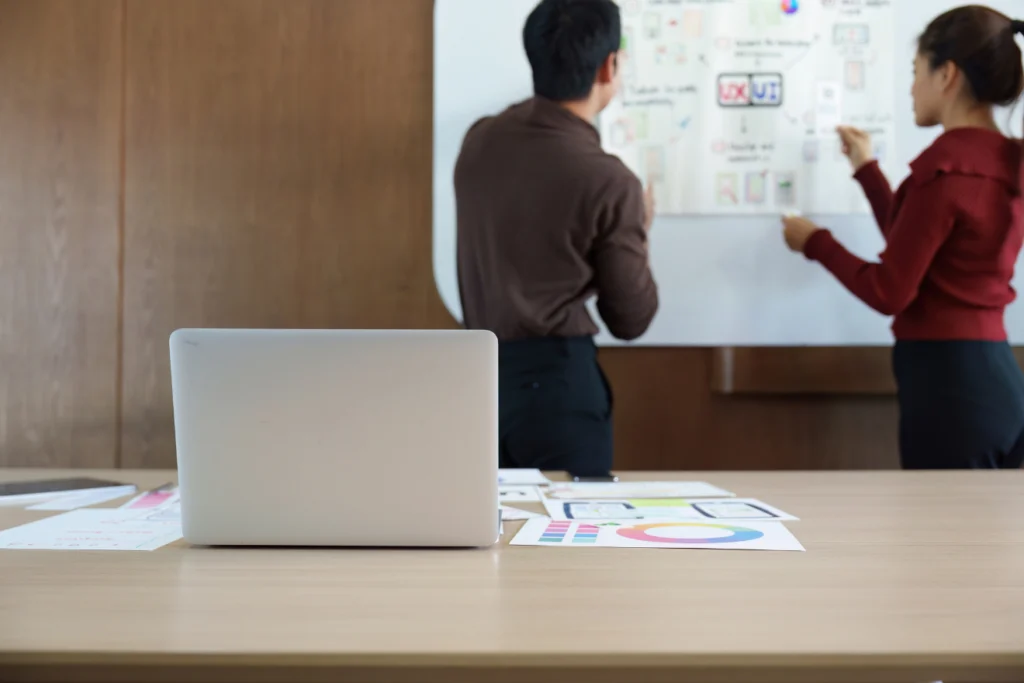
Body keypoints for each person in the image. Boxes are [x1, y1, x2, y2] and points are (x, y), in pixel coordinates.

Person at [782, 6, 1024, 469]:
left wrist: (816, 242)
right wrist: (867, 170)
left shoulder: (945, 166)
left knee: (945, 538)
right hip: (996, 379)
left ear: (946, 74)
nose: (910, 87)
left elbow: (889, 290)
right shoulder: (1006, 159)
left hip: (949, 388)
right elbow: (915, 240)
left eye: (915, 72)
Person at [454, 0, 659, 477]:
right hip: (558, 392)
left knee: (492, 544)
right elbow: (631, 318)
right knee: (572, 548)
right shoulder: (609, 181)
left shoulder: (479, 140)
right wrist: (639, 230)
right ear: (610, 65)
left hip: (483, 386)